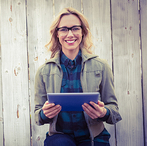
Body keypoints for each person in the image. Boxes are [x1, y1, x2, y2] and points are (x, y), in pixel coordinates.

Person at [34, 7, 122, 146]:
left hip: (94, 137)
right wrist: (45, 113)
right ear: (57, 33)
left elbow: (114, 111)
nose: (70, 34)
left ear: (83, 32)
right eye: (64, 29)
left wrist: (103, 112)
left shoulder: (101, 66)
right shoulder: (43, 71)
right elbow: (37, 116)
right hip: (59, 137)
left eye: (75, 28)